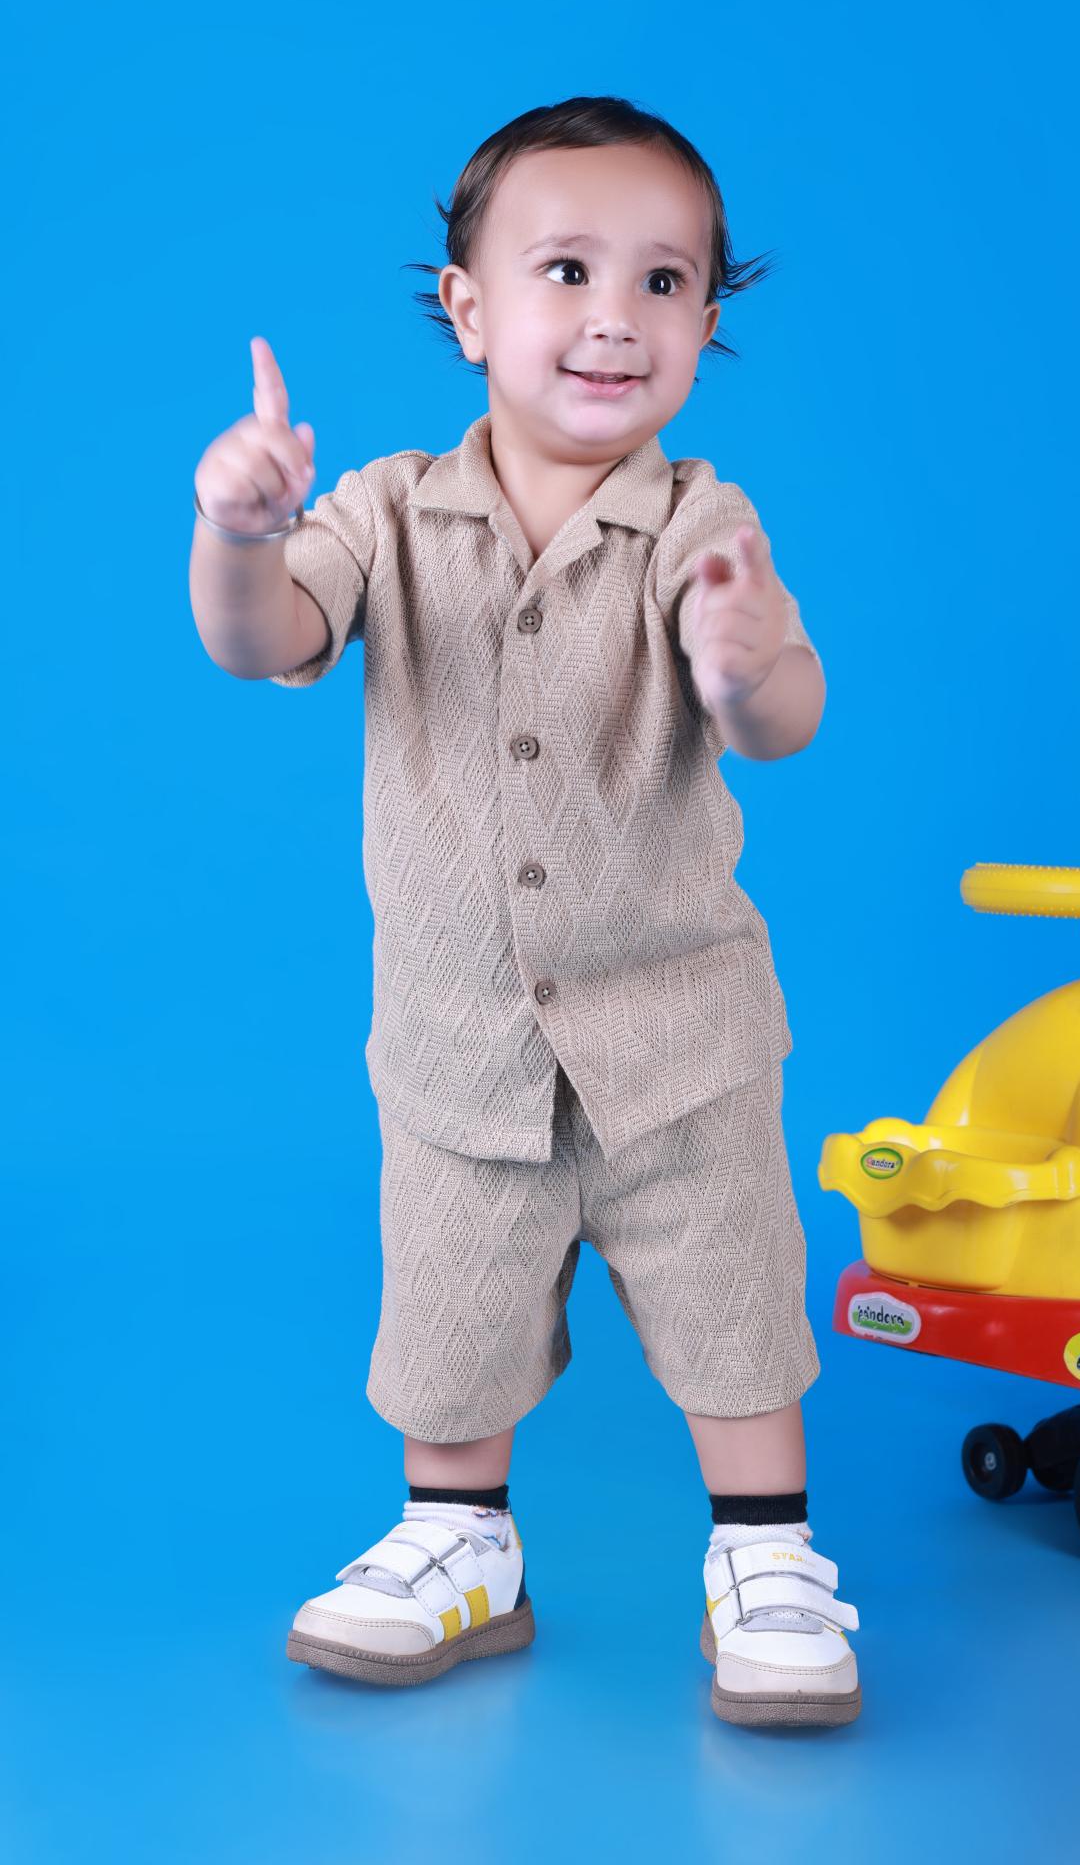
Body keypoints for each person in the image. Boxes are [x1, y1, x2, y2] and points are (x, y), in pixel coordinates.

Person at [188, 95, 860, 1729]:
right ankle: (459, 1540)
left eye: (663, 282)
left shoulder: (700, 526)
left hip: (676, 1038)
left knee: (732, 1300)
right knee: (450, 1311)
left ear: (702, 321)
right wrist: (239, 531)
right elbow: (264, 639)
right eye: (566, 271)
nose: (615, 317)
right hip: (459, 1049)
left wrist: (748, 664)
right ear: (468, 308)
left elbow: (784, 717)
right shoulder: (388, 512)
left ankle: (766, 1554)